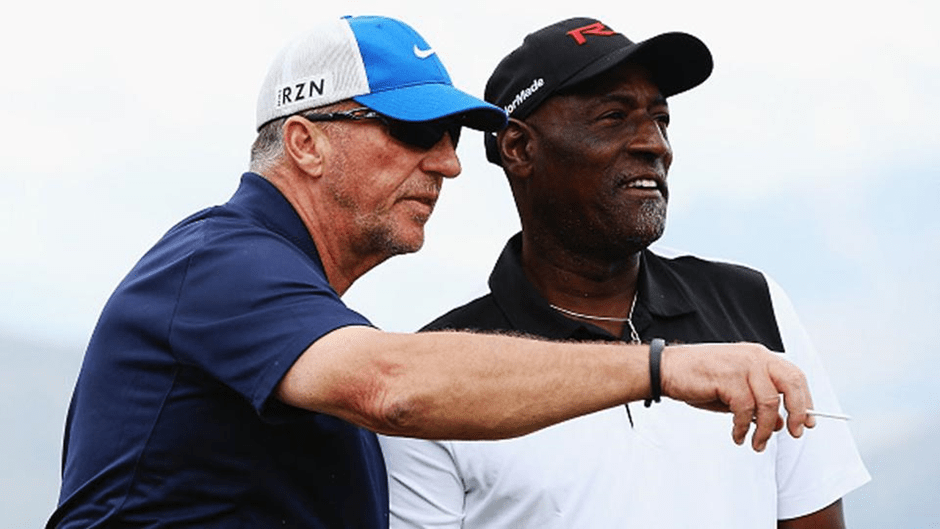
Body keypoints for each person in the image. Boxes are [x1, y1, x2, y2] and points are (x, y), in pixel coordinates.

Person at [47, 15, 820, 529]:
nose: (448, 163)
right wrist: (661, 366)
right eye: (415, 130)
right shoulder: (217, 260)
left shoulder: (292, 306)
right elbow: (391, 384)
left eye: (452, 136)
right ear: (306, 142)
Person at [378, 16, 871, 529]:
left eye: (660, 119)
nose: (654, 144)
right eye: (613, 117)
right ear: (519, 148)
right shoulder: (436, 376)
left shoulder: (751, 303)